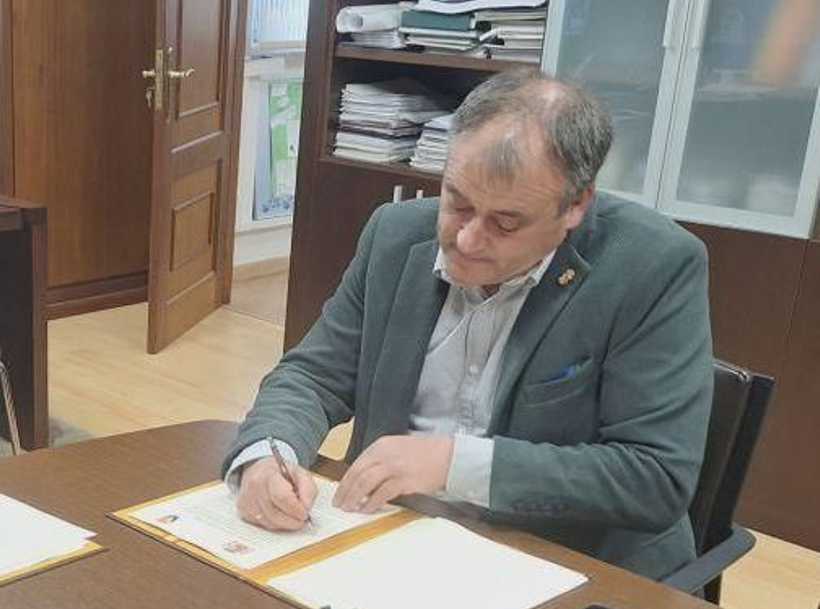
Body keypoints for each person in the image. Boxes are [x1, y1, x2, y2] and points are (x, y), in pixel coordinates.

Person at [226, 69, 713, 579]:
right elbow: (312, 376)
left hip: (560, 565)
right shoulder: (394, 235)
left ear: (576, 205)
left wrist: (454, 463)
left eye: (506, 222)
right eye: (457, 202)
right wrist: (268, 454)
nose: (467, 240)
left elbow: (655, 476)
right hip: (392, 540)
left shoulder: (652, 266)